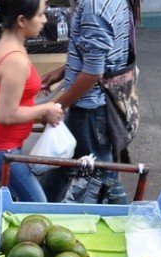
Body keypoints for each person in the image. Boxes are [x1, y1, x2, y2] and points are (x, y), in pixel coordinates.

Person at [0, 0, 65, 216]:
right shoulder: (14, 59)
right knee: (39, 207)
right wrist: (44, 109)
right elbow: (6, 115)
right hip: (1, 150)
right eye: (40, 15)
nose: (45, 20)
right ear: (21, 20)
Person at [39, 0, 134, 204]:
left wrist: (56, 106)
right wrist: (62, 72)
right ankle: (38, 205)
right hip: (94, 103)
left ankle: (130, 223)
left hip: (93, 108)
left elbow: (93, 73)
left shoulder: (94, 7)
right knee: (66, 163)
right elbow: (94, 56)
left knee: (102, 174)